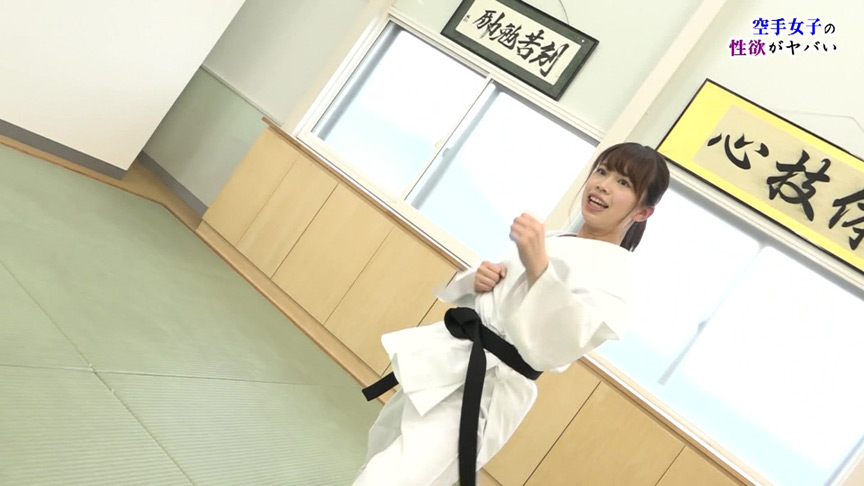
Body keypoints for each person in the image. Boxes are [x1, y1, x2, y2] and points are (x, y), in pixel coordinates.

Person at [353, 142, 670, 486]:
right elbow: (492, 302)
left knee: (390, 479)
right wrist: (477, 280)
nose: (603, 185)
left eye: (623, 183)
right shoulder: (555, 238)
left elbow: (561, 343)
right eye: (602, 171)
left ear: (643, 212)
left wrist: (539, 268)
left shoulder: (616, 280)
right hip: (449, 360)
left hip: (488, 388)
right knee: (380, 451)